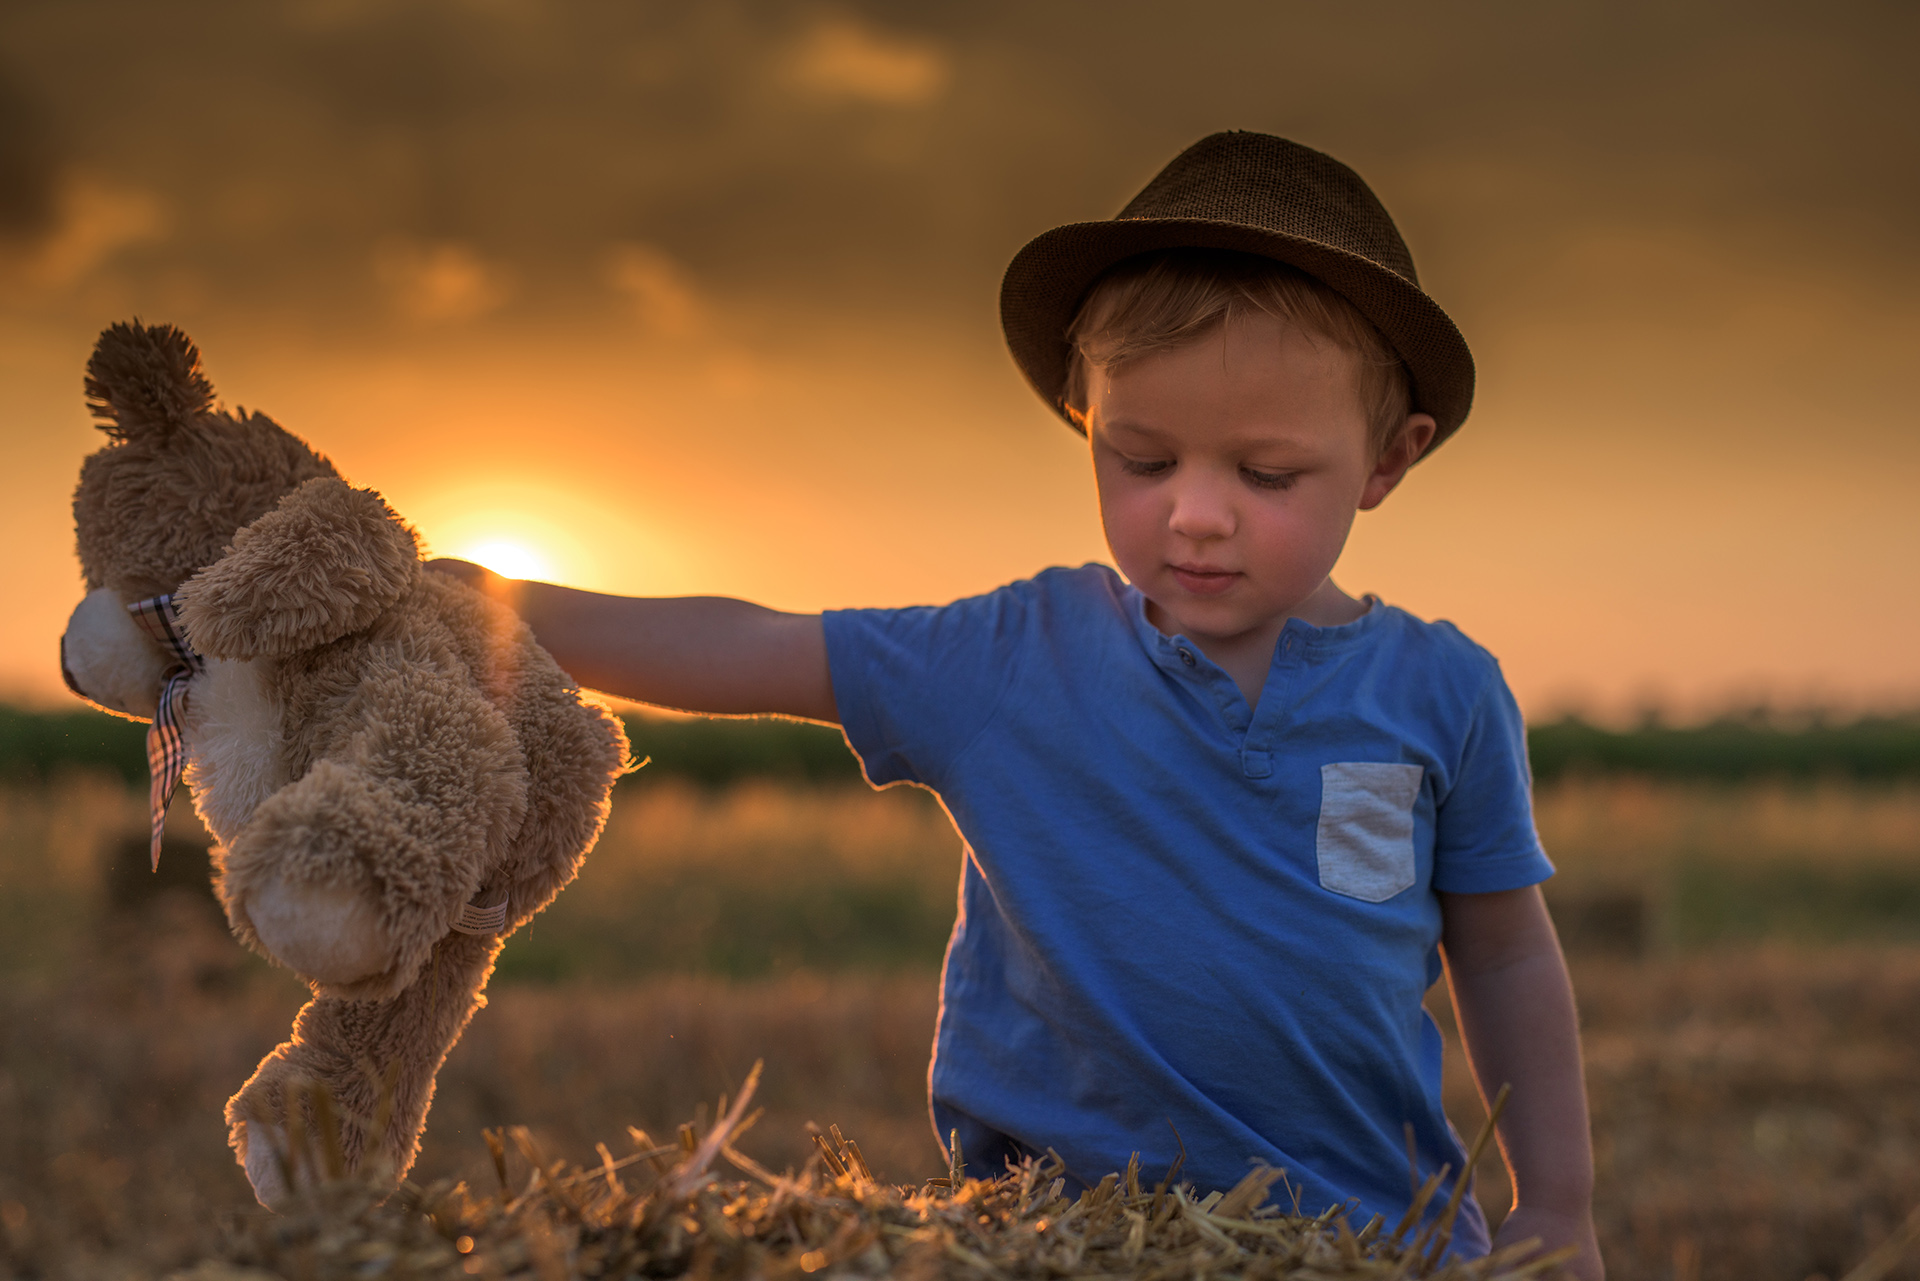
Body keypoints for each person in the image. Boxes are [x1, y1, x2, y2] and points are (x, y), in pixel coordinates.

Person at [435, 132, 1601, 1276]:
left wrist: (1556, 1200)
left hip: (1374, 1244)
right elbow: (754, 642)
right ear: (1089, 425)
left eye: (1264, 474)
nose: (1196, 513)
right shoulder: (1010, 659)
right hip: (1058, 1239)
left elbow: (1500, 960)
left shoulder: (1441, 695)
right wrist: (495, 607)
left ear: (1388, 461)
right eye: (1144, 462)